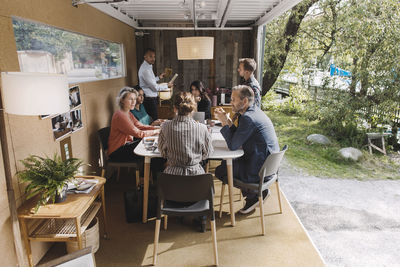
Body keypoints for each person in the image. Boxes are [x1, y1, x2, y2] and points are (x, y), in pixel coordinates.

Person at [214, 85, 279, 214]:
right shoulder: (255, 112)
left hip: (259, 169)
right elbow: (240, 137)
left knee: (221, 170)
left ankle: (253, 195)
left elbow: (233, 145)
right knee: (230, 164)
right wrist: (228, 122)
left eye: (233, 99)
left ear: (244, 101)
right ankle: (257, 192)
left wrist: (223, 122)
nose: (230, 102)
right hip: (269, 166)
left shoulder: (248, 118)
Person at [158, 92, 213, 175]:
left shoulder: (165, 126)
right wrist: (195, 160)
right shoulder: (202, 128)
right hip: (197, 179)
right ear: (193, 108)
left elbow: (163, 153)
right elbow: (208, 153)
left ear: (174, 108)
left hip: (171, 180)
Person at [108, 87, 160, 162]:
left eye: (134, 99)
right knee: (150, 152)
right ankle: (149, 172)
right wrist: (157, 131)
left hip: (126, 146)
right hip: (117, 151)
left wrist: (156, 128)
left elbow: (141, 126)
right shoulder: (120, 115)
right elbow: (139, 133)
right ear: (122, 100)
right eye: (130, 99)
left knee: (152, 148)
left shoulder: (127, 113)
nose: (133, 102)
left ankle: (150, 171)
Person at [138, 48, 173, 121]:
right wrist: (167, 86)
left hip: (151, 98)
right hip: (149, 99)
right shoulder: (145, 70)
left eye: (154, 57)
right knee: (154, 120)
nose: (153, 59)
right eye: (150, 56)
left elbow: (150, 81)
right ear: (145, 57)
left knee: (154, 119)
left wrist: (159, 77)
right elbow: (155, 87)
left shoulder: (148, 66)